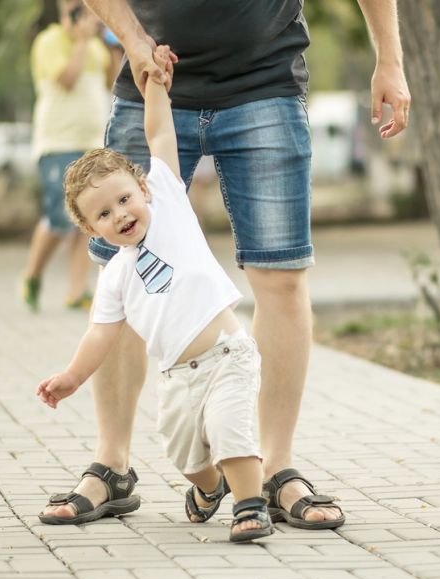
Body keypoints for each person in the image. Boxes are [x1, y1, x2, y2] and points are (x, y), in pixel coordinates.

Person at [41, 0, 410, 529]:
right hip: (153, 77)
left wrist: (389, 60)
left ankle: (275, 469)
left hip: (265, 83)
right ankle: (112, 465)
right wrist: (132, 37)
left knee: (281, 278)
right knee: (118, 279)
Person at [37, 48, 273, 543]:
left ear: (142, 188)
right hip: (175, 377)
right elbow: (100, 336)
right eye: (104, 214)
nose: (121, 214)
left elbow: (160, 135)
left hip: (226, 354)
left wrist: (157, 89)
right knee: (185, 455)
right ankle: (210, 490)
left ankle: (250, 507)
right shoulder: (116, 277)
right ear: (90, 228)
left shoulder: (166, 200)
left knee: (232, 433)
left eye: (124, 199)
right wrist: (71, 377)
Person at [20, 1, 112, 311]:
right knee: (60, 217)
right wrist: (83, 41)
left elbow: (111, 83)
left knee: (86, 218)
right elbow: (67, 78)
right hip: (57, 144)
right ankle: (32, 275)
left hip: (91, 144)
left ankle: (76, 292)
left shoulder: (96, 47)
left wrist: (109, 41)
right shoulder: (49, 42)